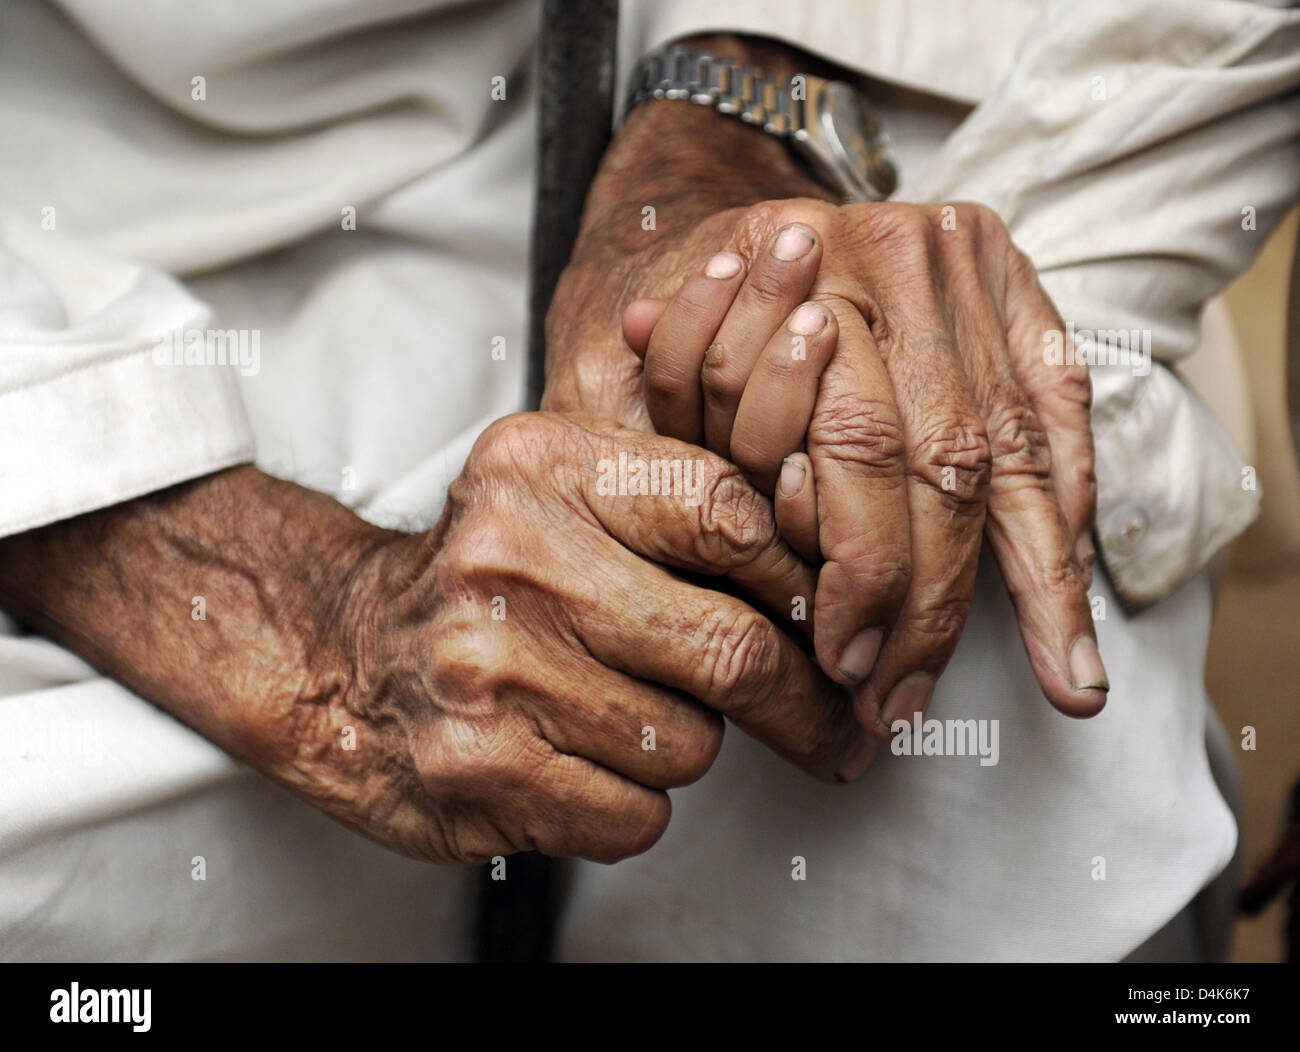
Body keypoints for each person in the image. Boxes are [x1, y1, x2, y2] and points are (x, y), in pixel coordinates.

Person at [0, 0, 1295, 962]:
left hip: (888, 106)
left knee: (972, 640)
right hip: (76, 300)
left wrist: (732, 105)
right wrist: (302, 620)